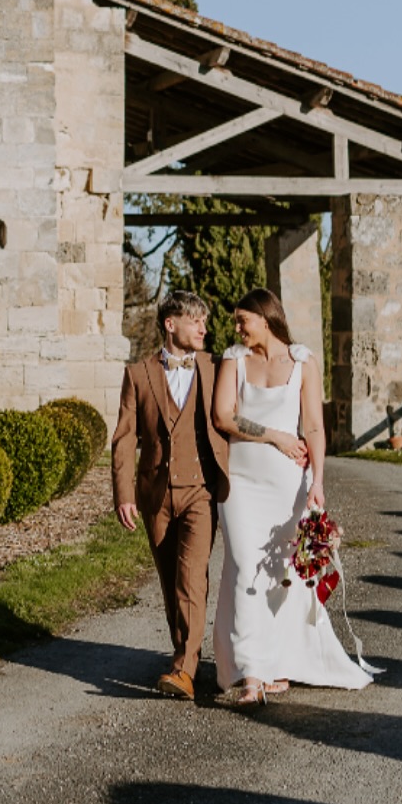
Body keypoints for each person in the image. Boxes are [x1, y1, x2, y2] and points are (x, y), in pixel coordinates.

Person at [211, 286, 372, 704]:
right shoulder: (233, 360)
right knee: (245, 567)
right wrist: (276, 436)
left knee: (281, 574)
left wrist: (318, 481)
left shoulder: (303, 363)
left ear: (265, 318)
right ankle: (250, 673)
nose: (237, 327)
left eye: (242, 319)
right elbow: (223, 416)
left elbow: (315, 427)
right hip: (240, 484)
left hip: (288, 488)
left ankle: (277, 663)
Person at [111, 289, 241, 701]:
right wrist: (123, 493)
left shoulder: (215, 365)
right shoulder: (137, 374)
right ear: (171, 324)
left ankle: (184, 669)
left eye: (205, 321)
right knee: (171, 584)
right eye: (196, 321)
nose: (205, 328)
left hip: (201, 492)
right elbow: (124, 438)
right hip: (155, 495)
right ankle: (184, 653)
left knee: (191, 577)